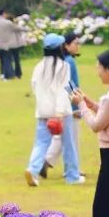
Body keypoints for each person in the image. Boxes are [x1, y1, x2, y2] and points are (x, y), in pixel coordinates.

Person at [72, 50, 109, 217]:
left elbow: (97, 125)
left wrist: (81, 106)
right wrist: (90, 104)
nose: (97, 71)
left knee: (104, 207)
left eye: (99, 67)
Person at [24, 34, 84, 187]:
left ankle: (33, 169)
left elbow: (35, 87)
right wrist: (59, 112)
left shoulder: (39, 66)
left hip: (43, 112)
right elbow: (63, 90)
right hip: (62, 112)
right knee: (68, 144)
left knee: (41, 143)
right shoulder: (63, 66)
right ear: (60, 47)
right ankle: (72, 176)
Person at [45, 30, 83, 176]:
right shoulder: (69, 62)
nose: (77, 46)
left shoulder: (62, 61)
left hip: (60, 103)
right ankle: (48, 162)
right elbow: (70, 84)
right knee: (70, 138)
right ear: (66, 45)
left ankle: (47, 162)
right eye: (75, 43)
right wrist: (77, 104)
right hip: (69, 104)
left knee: (64, 137)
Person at [0, 9, 25, 80]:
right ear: (4, 14)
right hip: (9, 45)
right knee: (8, 60)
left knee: (2, 61)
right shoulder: (7, 23)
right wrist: (26, 29)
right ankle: (10, 75)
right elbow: (17, 29)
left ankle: (3, 74)